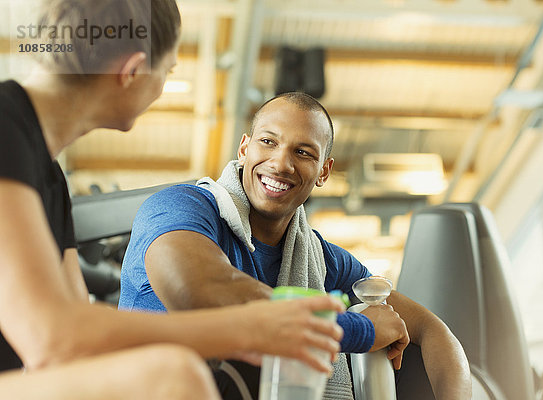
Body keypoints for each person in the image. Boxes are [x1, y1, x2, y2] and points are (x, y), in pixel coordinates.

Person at [0, 1, 346, 398]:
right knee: (173, 375)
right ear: (131, 72)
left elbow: (75, 332)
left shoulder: (46, 174)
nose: (164, 83)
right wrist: (249, 328)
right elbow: (51, 339)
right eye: (168, 70)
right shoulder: (5, 129)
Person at [119, 92, 472, 399]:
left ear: (323, 171)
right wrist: (360, 330)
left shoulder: (322, 260)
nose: (281, 163)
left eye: (303, 152)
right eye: (268, 142)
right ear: (245, 148)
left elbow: (434, 330)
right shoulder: (181, 208)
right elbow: (196, 294)